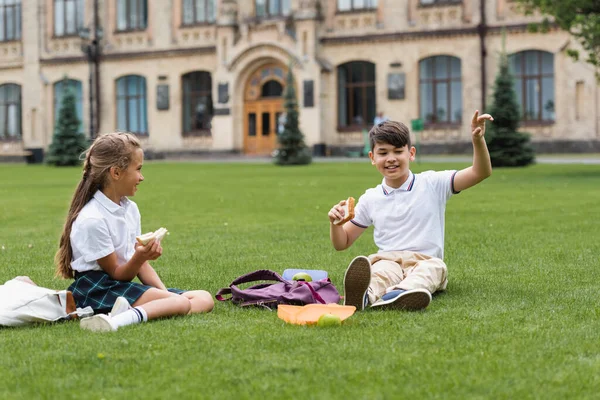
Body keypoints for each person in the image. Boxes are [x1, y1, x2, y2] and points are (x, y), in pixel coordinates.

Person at [328, 110, 493, 311]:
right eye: (383, 153)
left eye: (398, 151)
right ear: (372, 157)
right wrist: (335, 224)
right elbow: (342, 243)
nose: (391, 158)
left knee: (433, 270)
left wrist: (477, 139)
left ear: (411, 153)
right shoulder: (370, 198)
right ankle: (365, 296)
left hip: (426, 260)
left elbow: (480, 172)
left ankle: (400, 293)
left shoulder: (433, 183)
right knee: (380, 273)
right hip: (388, 259)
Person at [55, 132, 214, 332]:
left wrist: (165, 295)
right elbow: (118, 273)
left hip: (118, 284)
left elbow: (137, 261)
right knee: (181, 304)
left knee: (204, 298)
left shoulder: (130, 209)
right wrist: (140, 259)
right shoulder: (92, 219)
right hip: (97, 288)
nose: (142, 177)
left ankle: (134, 311)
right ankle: (115, 322)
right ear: (116, 173)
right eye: (138, 169)